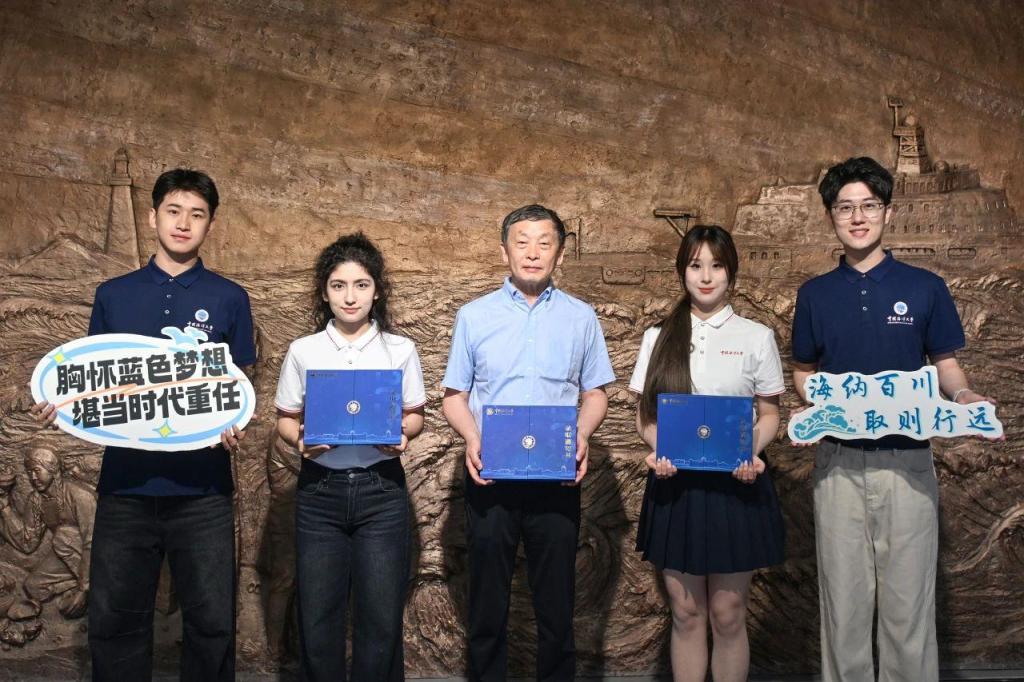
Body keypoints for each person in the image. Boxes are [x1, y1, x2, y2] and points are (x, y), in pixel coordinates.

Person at [31, 168, 256, 681]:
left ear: (211, 224)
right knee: (115, 621)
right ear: (153, 217)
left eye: (197, 214)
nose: (184, 223)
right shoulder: (113, 294)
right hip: (125, 488)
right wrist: (59, 402)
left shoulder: (229, 298)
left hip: (203, 491)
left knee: (212, 623)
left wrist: (234, 421)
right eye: (173, 211)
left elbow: (239, 384)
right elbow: (94, 380)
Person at [791, 156, 995, 682]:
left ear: (888, 212)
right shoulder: (815, 294)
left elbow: (945, 363)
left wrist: (963, 394)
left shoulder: (925, 287)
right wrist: (818, 407)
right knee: (844, 609)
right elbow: (804, 371)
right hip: (837, 465)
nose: (857, 217)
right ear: (831, 216)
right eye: (845, 208)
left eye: (868, 205)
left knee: (908, 609)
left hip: (909, 463)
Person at [441, 204, 615, 681]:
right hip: (491, 475)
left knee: (557, 609)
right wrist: (472, 437)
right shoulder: (474, 316)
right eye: (522, 242)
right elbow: (454, 396)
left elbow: (596, 393)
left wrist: (582, 434)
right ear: (505, 251)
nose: (533, 253)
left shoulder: (581, 317)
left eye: (544, 243)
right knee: (486, 607)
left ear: (560, 253)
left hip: (556, 478)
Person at [629, 225, 785, 682]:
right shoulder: (658, 336)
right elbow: (646, 416)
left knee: (728, 614)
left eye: (716, 266)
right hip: (675, 487)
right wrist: (660, 449)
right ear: (682, 271)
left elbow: (770, 415)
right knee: (686, 612)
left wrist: (749, 452)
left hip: (737, 488)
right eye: (696, 265)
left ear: (731, 273)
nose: (706, 276)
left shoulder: (756, 336)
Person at [274, 232, 426, 681]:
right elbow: (285, 419)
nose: (350, 296)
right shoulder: (304, 350)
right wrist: (301, 442)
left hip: (382, 490)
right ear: (325, 292)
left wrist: (401, 436)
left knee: (380, 616)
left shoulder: (400, 349)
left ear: (377, 290)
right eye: (338, 285)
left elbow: (415, 417)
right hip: (319, 491)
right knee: (318, 615)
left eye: (361, 284)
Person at [0, 448, 96, 620]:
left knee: (63, 536)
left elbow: (92, 541)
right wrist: (5, 508)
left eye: (37, 470)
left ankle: (90, 585)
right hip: (66, 553)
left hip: (93, 555)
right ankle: (78, 586)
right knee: (33, 586)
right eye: (29, 472)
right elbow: (27, 543)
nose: (33, 477)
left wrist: (84, 588)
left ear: (52, 469)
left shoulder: (80, 496)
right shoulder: (36, 500)